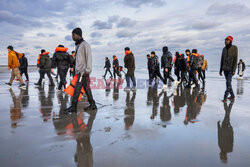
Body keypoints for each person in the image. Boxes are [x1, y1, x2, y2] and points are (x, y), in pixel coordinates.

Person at [65, 27, 97, 112]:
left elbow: (89, 57)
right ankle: (92, 104)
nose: (72, 36)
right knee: (87, 88)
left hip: (83, 72)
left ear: (78, 35)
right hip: (79, 71)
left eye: (73, 34)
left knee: (77, 88)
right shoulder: (78, 45)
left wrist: (88, 70)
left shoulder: (85, 45)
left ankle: (74, 106)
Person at [220, 36, 238, 102]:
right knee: (229, 84)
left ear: (230, 41)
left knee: (228, 82)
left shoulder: (234, 48)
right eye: (225, 40)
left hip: (231, 69)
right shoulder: (224, 49)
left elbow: (235, 59)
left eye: (227, 40)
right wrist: (220, 70)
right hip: (225, 69)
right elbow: (222, 59)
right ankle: (232, 95)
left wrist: (234, 70)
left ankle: (225, 97)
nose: (225, 41)